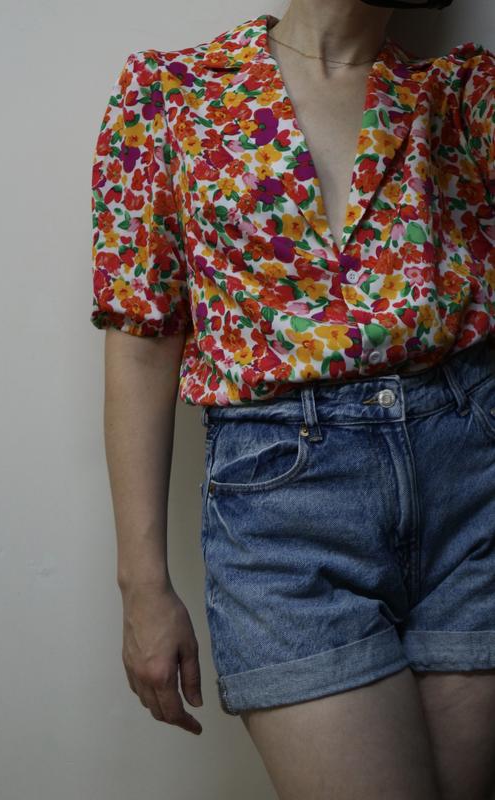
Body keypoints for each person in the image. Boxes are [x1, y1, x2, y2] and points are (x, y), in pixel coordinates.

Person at [90, 1, 495, 797]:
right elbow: (142, 339)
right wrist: (142, 585)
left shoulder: (461, 96)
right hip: (282, 515)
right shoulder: (171, 94)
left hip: (469, 492)